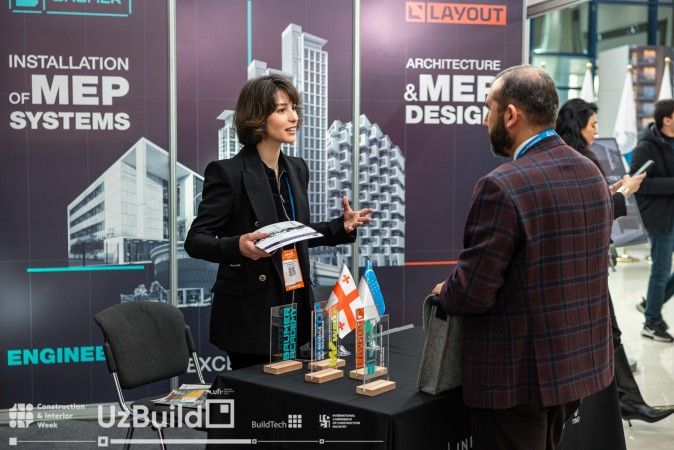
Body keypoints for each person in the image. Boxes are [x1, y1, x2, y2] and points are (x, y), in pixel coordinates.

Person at [432, 65, 614, 450]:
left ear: (511, 115)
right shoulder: (592, 173)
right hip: (574, 367)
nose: (485, 121)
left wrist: (445, 290)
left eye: (489, 109)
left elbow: (473, 292)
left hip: (516, 377)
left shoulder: (502, 185)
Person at [185, 74, 372, 370]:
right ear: (257, 117)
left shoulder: (297, 168)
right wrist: (238, 246)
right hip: (252, 314)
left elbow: (294, 233)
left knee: (291, 392)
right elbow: (195, 240)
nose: (294, 117)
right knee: (257, 397)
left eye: (294, 108)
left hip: (295, 304)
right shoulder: (228, 173)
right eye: (282, 110)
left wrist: (341, 227)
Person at [556, 98, 672, 424]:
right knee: (610, 332)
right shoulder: (576, 160)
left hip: (587, 261)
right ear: (578, 125)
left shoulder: (579, 158)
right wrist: (624, 193)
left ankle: (627, 402)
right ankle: (624, 404)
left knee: (611, 333)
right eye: (592, 125)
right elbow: (590, 211)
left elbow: (589, 203)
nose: (597, 131)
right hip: (581, 263)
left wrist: (613, 191)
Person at [630, 98, 674, 343]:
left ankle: (651, 304)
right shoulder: (647, 145)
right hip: (660, 217)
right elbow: (639, 183)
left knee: (663, 271)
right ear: (667, 120)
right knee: (661, 270)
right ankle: (651, 322)